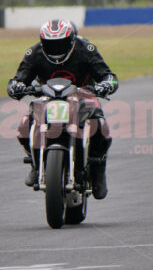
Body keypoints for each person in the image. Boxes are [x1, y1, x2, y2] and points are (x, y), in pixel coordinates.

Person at [7, 19, 118, 200]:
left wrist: (105, 85)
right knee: (24, 124)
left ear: (71, 40)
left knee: (100, 124)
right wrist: (16, 86)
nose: (56, 48)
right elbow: (18, 78)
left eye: (61, 43)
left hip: (83, 95)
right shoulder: (34, 52)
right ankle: (35, 165)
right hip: (47, 96)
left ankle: (98, 170)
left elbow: (108, 75)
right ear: (43, 42)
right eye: (51, 44)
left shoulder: (86, 49)